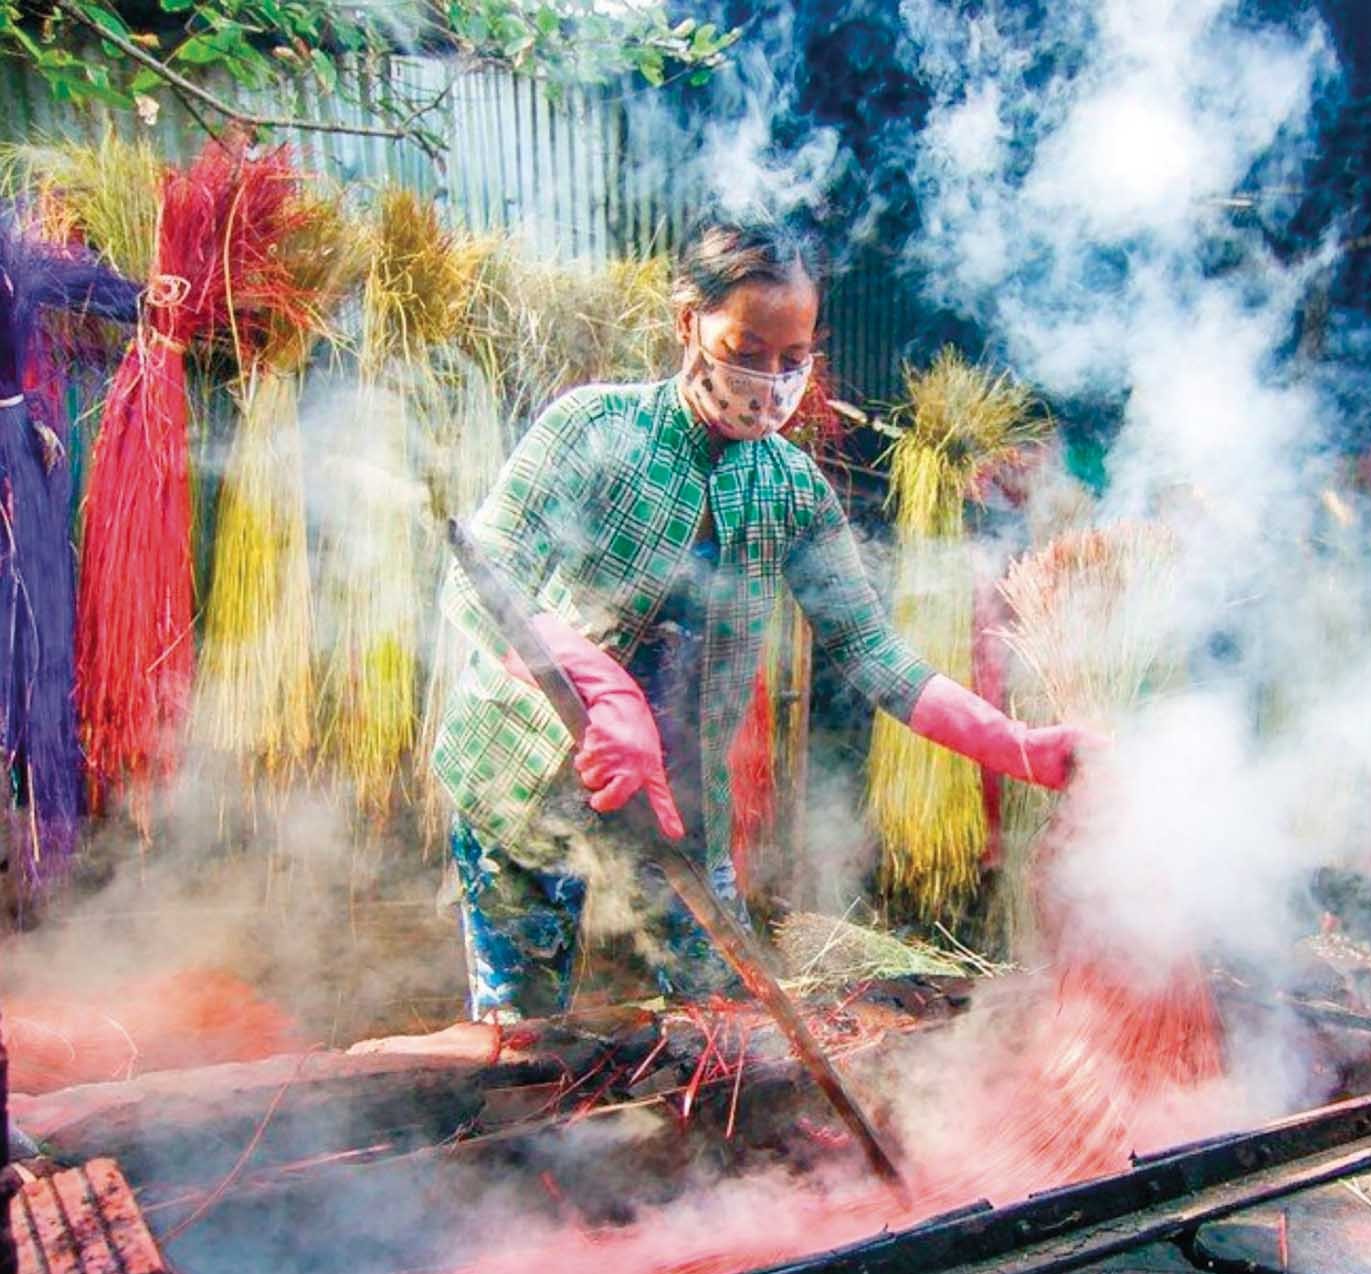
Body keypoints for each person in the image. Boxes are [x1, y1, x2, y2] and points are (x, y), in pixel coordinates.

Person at [432, 215, 1092, 1024]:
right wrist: (604, 690)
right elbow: (479, 583)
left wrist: (1018, 746)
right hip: (525, 784)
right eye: (746, 351)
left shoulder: (792, 490)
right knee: (526, 1045)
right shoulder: (593, 429)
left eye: (792, 358)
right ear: (689, 323)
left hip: (677, 811)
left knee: (732, 1027)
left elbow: (874, 653)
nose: (770, 381)